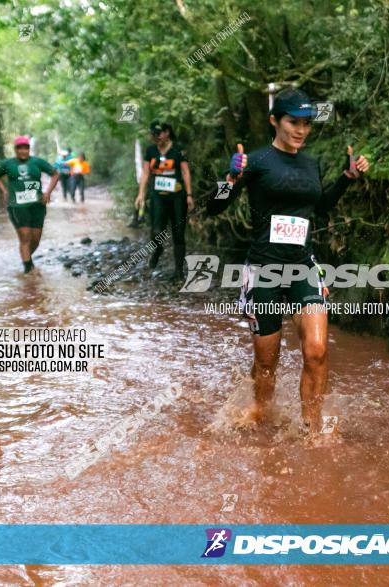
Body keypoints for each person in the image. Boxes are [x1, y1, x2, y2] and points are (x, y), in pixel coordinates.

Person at [206, 88, 369, 436]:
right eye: (293, 122)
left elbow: (320, 208)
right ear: (274, 121)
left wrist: (346, 179)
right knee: (267, 363)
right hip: (263, 268)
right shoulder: (257, 162)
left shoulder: (312, 164)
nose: (301, 130)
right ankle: (260, 410)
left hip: (302, 265)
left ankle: (314, 429)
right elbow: (214, 207)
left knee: (317, 350)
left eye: (307, 124)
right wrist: (230, 179)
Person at [134, 121, 194, 279]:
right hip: (157, 196)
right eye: (153, 134)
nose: (155, 137)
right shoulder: (150, 150)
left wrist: (189, 195)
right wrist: (141, 194)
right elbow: (146, 173)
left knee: (178, 233)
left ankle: (179, 271)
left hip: (177, 197)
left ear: (167, 132)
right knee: (155, 230)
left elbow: (185, 172)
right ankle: (158, 248)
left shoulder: (178, 149)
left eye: (158, 133)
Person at [0, 135, 59, 273]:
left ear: (29, 149)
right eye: (20, 148)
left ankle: (26, 257)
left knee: (35, 239)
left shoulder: (38, 162)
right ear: (15, 150)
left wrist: (48, 192)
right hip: (17, 206)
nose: (23, 151)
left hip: (37, 205)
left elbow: (55, 174)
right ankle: (28, 269)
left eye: (25, 148)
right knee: (25, 236)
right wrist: (4, 191)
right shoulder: (7, 164)